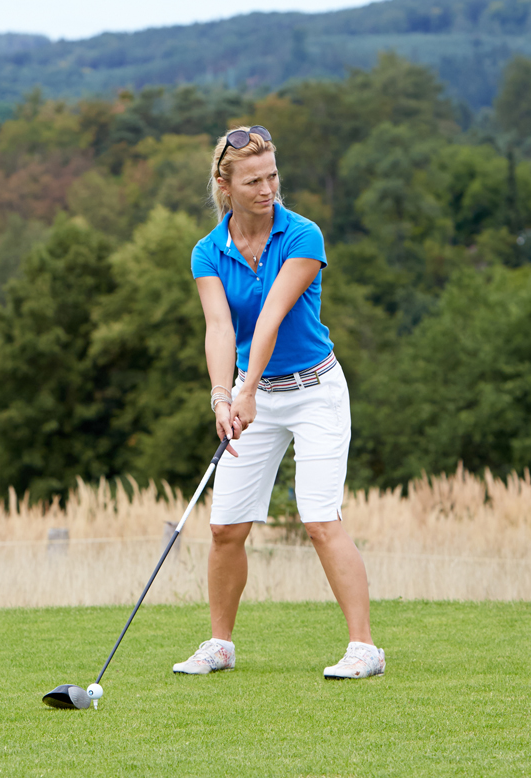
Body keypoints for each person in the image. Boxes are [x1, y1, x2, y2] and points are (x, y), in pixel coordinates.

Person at [173, 125, 384, 680]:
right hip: (253, 394)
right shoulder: (207, 252)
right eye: (253, 181)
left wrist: (244, 391)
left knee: (319, 519)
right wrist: (222, 397)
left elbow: (269, 317)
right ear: (225, 186)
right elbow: (220, 328)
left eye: (272, 176)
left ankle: (364, 648)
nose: (267, 189)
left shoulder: (303, 236)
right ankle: (220, 644)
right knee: (225, 526)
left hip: (315, 391)